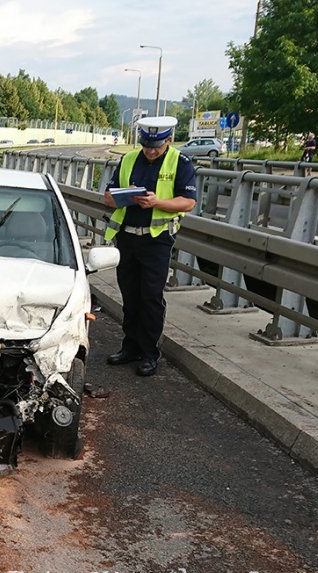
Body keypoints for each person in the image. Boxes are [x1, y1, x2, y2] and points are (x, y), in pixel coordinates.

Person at [102, 116, 197, 377]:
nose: (150, 151)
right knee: (130, 295)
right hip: (127, 237)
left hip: (157, 240)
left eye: (156, 146)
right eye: (146, 145)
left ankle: (149, 352)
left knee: (151, 297)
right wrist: (124, 197)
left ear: (168, 140)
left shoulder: (181, 162)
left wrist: (157, 203)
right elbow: (108, 198)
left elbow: (188, 202)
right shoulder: (129, 159)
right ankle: (129, 347)